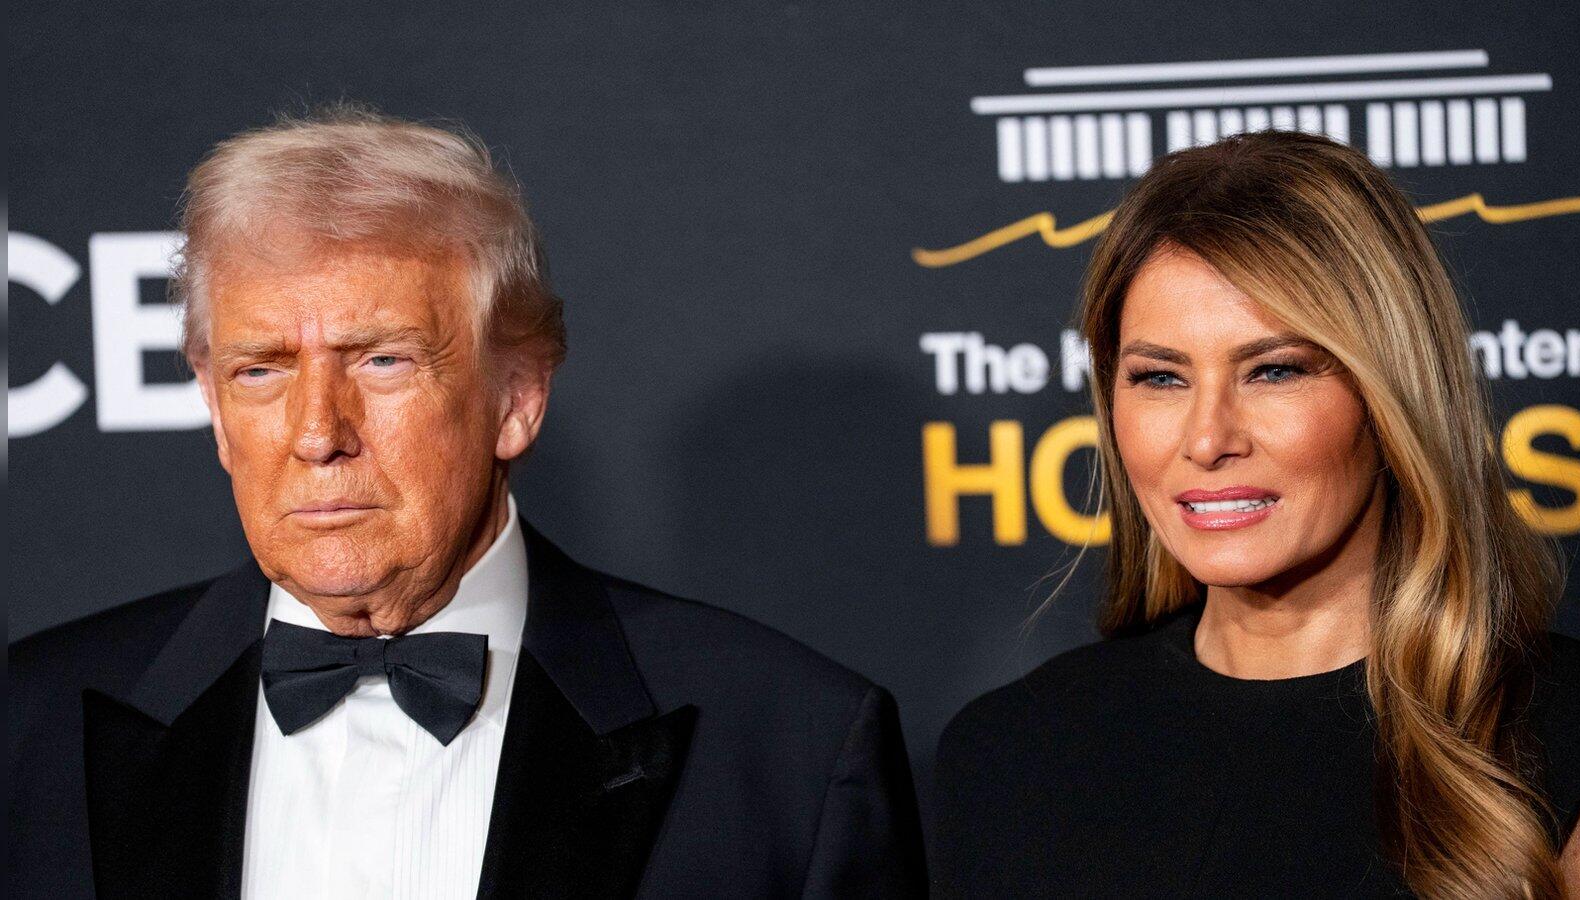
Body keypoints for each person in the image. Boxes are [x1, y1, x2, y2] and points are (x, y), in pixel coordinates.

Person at [9, 106, 926, 899]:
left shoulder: (786, 747)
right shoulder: (27, 729)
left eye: (383, 360)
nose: (318, 433)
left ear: (517, 396)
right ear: (213, 407)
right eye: (261, 371)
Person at [931, 131, 1580, 898]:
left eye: (1273, 371)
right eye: (1160, 378)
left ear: (1392, 395)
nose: (1208, 439)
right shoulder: (1009, 753)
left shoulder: (1566, 736)